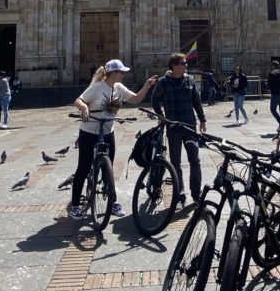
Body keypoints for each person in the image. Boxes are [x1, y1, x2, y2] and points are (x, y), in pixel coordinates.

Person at [71, 59, 157, 221]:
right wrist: (83, 107)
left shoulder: (119, 88)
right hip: (89, 131)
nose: (123, 74)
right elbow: (78, 100)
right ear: (112, 73)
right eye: (121, 72)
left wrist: (147, 85)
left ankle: (113, 201)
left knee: (108, 168)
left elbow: (136, 99)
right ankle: (75, 205)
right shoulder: (97, 87)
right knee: (83, 167)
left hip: (107, 131)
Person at [152, 53, 207, 205]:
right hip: (173, 128)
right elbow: (154, 100)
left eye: (185, 63)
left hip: (190, 127)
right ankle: (179, 194)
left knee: (194, 159)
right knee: (175, 162)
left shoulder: (190, 80)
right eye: (183, 63)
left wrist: (202, 120)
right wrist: (161, 116)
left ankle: (196, 193)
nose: (186, 65)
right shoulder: (163, 82)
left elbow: (197, 101)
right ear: (174, 66)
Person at [268, 60, 280, 125]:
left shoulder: (271, 73)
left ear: (273, 66)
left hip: (275, 94)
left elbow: (269, 85)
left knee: (273, 109)